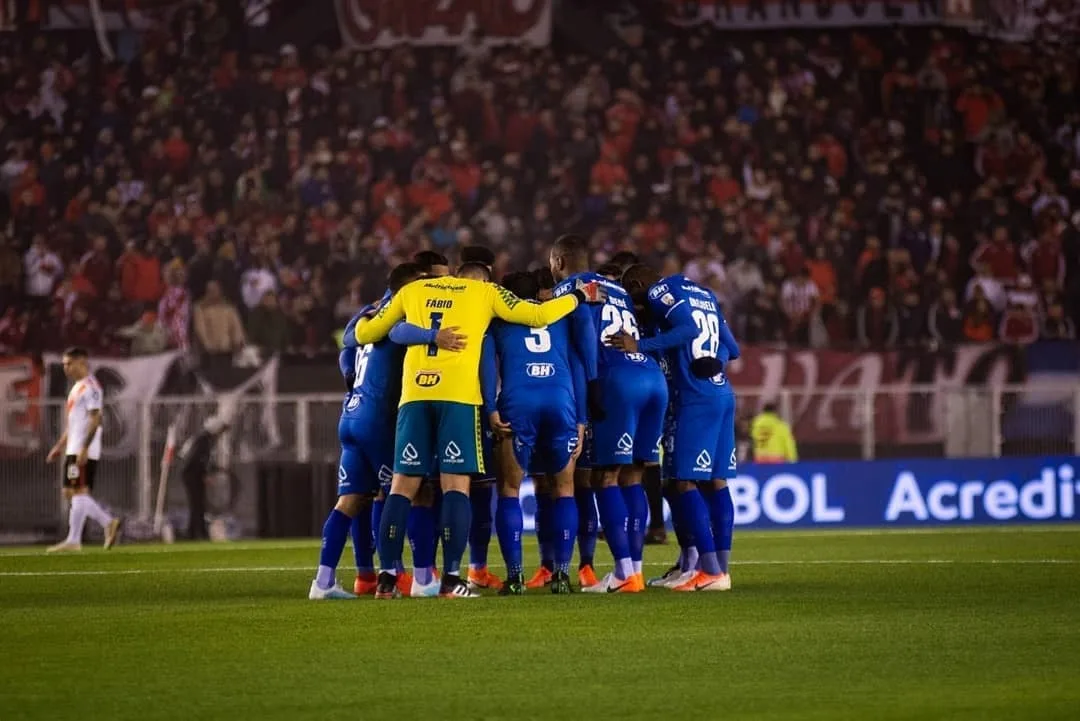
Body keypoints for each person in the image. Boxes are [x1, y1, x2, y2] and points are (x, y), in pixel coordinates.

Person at [353, 261, 606, 598]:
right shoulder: (484, 292)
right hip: (459, 398)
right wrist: (576, 296)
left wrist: (407, 329)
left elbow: (365, 335)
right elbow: (538, 317)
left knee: (402, 486)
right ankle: (454, 580)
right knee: (457, 485)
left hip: (414, 396)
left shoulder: (413, 290)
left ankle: (387, 579)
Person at [310, 262, 458, 599]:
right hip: (379, 418)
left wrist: (351, 378)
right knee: (411, 491)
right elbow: (398, 335)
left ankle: (323, 582)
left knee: (351, 499)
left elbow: (347, 348)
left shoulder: (370, 310)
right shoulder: (404, 311)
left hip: (352, 413)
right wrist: (434, 336)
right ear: (408, 287)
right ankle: (417, 578)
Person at [551, 235, 666, 593]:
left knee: (605, 477)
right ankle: (636, 572)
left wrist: (591, 379)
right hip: (651, 375)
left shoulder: (570, 288)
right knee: (633, 476)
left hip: (615, 379)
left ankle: (622, 573)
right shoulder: (616, 288)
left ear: (557, 262)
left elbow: (585, 329)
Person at [613, 265, 738, 592]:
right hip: (722, 390)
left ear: (640, 284)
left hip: (695, 398)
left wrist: (640, 344)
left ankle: (710, 571)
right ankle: (714, 569)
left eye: (632, 292)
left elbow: (685, 330)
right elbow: (731, 347)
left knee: (682, 482)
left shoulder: (659, 291)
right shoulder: (705, 295)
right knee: (713, 481)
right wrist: (716, 361)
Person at [480, 271, 589, 595]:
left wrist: (490, 409)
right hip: (561, 400)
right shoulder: (559, 317)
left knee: (510, 489)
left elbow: (487, 366)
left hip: (519, 401)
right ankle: (562, 576)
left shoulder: (499, 321)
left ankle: (514, 578)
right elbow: (579, 367)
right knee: (564, 489)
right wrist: (581, 420)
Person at [45, 347, 121, 552]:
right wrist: (59, 446)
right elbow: (73, 423)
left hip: (83, 448)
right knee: (74, 491)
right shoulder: (77, 387)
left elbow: (96, 419)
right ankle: (76, 538)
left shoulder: (92, 388)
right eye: (64, 364)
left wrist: (85, 448)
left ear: (82, 362)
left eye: (69, 363)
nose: (65, 368)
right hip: (73, 446)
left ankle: (104, 523)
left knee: (74, 490)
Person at [178, 415, 230, 541]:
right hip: (192, 475)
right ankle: (198, 532)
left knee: (197, 504)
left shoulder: (203, 439)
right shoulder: (203, 440)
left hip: (192, 474)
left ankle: (192, 532)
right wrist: (205, 474)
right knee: (197, 504)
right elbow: (197, 459)